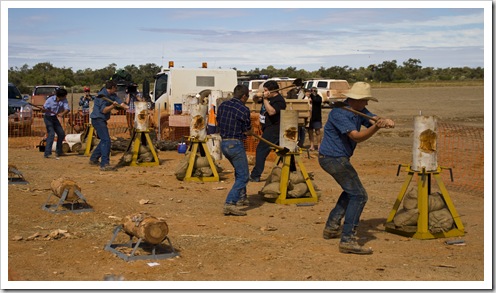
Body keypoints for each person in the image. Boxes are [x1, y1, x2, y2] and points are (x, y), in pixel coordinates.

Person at [318, 82, 394, 255]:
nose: (367, 104)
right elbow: (357, 136)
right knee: (359, 195)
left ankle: (332, 226)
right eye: (365, 100)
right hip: (332, 159)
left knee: (350, 191)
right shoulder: (339, 113)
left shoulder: (358, 111)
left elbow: (371, 118)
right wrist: (377, 127)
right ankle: (348, 240)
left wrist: (383, 121)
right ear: (357, 99)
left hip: (337, 158)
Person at [216, 84, 252, 216]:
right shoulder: (244, 109)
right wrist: (250, 131)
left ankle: (242, 198)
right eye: (247, 97)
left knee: (239, 171)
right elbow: (247, 130)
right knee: (243, 176)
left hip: (224, 144)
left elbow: (218, 121)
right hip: (235, 144)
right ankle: (230, 203)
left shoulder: (223, 106)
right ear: (244, 96)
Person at [249, 80, 286, 182]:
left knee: (261, 150)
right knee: (283, 151)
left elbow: (271, 112)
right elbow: (255, 100)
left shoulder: (279, 100)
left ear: (272, 91)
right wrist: (258, 95)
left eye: (265, 90)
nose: (264, 92)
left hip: (274, 129)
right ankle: (291, 170)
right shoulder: (268, 97)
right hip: (267, 128)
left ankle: (255, 175)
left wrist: (265, 98)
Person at [89, 80, 129, 171]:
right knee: (106, 140)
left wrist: (127, 107)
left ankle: (93, 159)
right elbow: (104, 110)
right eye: (115, 88)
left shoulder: (113, 95)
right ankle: (104, 164)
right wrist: (112, 106)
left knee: (104, 140)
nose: (116, 90)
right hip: (98, 119)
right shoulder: (101, 96)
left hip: (103, 120)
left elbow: (120, 103)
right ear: (112, 88)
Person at [42, 88, 70, 159]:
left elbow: (67, 109)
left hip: (54, 118)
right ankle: (47, 153)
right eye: (65, 96)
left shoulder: (64, 100)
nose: (65, 97)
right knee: (51, 134)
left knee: (61, 134)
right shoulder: (50, 100)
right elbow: (44, 109)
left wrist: (62, 114)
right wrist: (44, 109)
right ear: (60, 96)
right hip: (48, 117)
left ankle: (59, 151)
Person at [308, 87, 323, 151]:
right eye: (311, 90)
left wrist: (311, 95)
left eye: (314, 90)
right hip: (309, 117)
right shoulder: (308, 98)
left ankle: (319, 145)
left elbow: (316, 100)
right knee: (310, 132)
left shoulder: (318, 97)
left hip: (316, 117)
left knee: (317, 132)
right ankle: (312, 145)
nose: (313, 91)